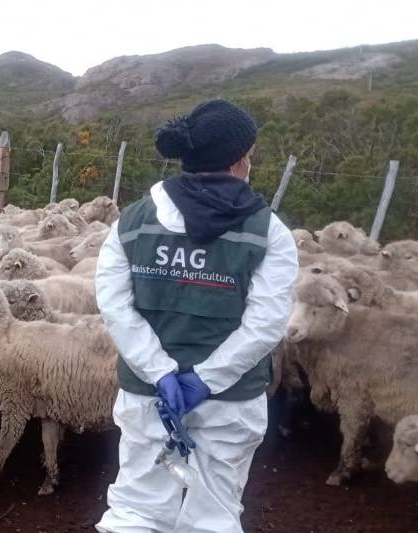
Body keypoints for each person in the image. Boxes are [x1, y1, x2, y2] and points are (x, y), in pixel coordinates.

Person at [94, 99, 299, 533]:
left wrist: (161, 372)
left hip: (149, 394)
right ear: (242, 158)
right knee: (213, 514)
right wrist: (205, 378)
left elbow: (115, 306)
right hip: (230, 401)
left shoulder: (131, 222)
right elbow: (265, 324)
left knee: (136, 507)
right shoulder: (269, 233)